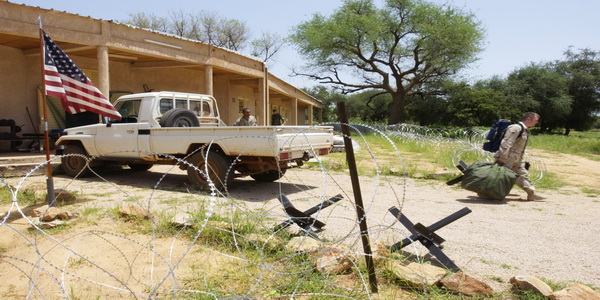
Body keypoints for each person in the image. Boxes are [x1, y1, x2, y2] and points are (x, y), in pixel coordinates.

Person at [494, 112, 545, 201]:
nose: (536, 122)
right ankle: (485, 192)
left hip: (516, 159)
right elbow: (506, 143)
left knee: (523, 175)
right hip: (508, 158)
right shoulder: (516, 128)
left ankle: (531, 194)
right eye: (536, 120)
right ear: (529, 119)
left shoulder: (524, 130)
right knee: (500, 176)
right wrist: (503, 157)